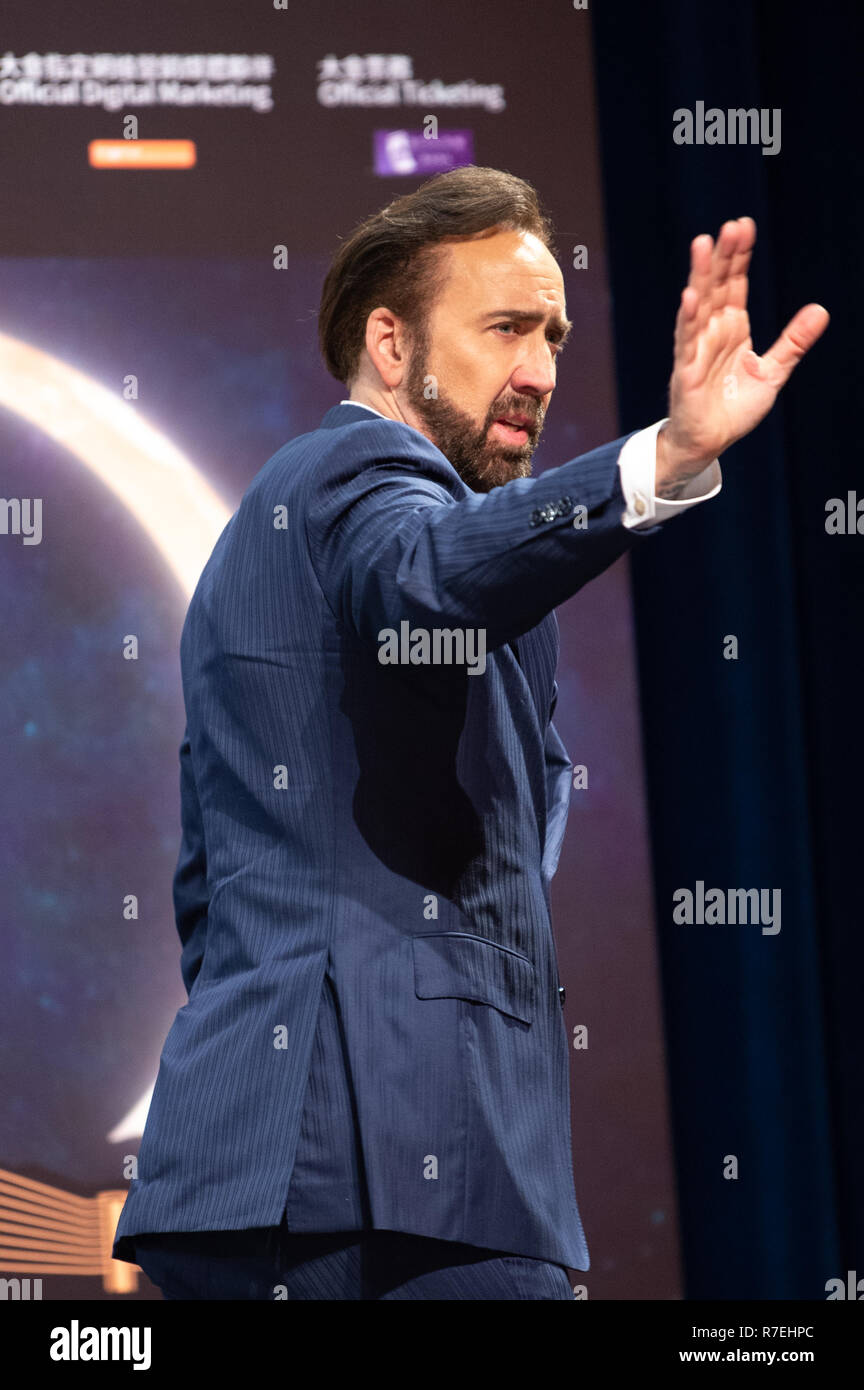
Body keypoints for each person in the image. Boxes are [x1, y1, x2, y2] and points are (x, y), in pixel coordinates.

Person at [112, 166, 828, 1300]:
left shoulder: (302, 543)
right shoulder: (358, 471)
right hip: (392, 1180)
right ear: (392, 347)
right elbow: (425, 577)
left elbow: (214, 886)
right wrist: (664, 461)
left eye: (552, 333)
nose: (540, 371)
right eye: (503, 329)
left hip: (271, 1178)